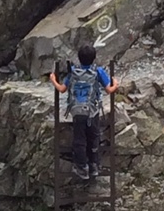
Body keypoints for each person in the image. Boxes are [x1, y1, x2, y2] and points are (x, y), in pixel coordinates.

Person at [49, 44, 118, 180]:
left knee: (79, 140)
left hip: (77, 111)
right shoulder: (97, 71)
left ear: (79, 58)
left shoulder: (73, 71)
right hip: (92, 112)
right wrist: (115, 83)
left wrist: (53, 80)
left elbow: (62, 89)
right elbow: (109, 90)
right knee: (93, 138)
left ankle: (82, 168)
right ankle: (94, 166)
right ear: (94, 58)